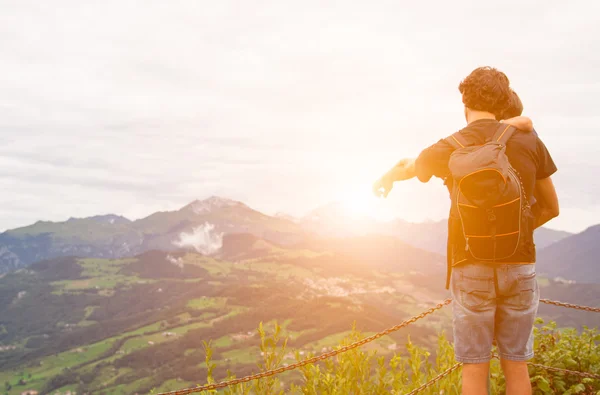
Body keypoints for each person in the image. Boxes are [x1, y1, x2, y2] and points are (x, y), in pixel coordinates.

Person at [373, 67, 559, 395]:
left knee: (474, 370)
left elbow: (409, 167)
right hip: (520, 264)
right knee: (517, 366)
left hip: (470, 265)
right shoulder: (528, 139)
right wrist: (517, 232)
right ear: (504, 101)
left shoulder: (450, 146)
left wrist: (386, 176)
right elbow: (551, 207)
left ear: (464, 102)